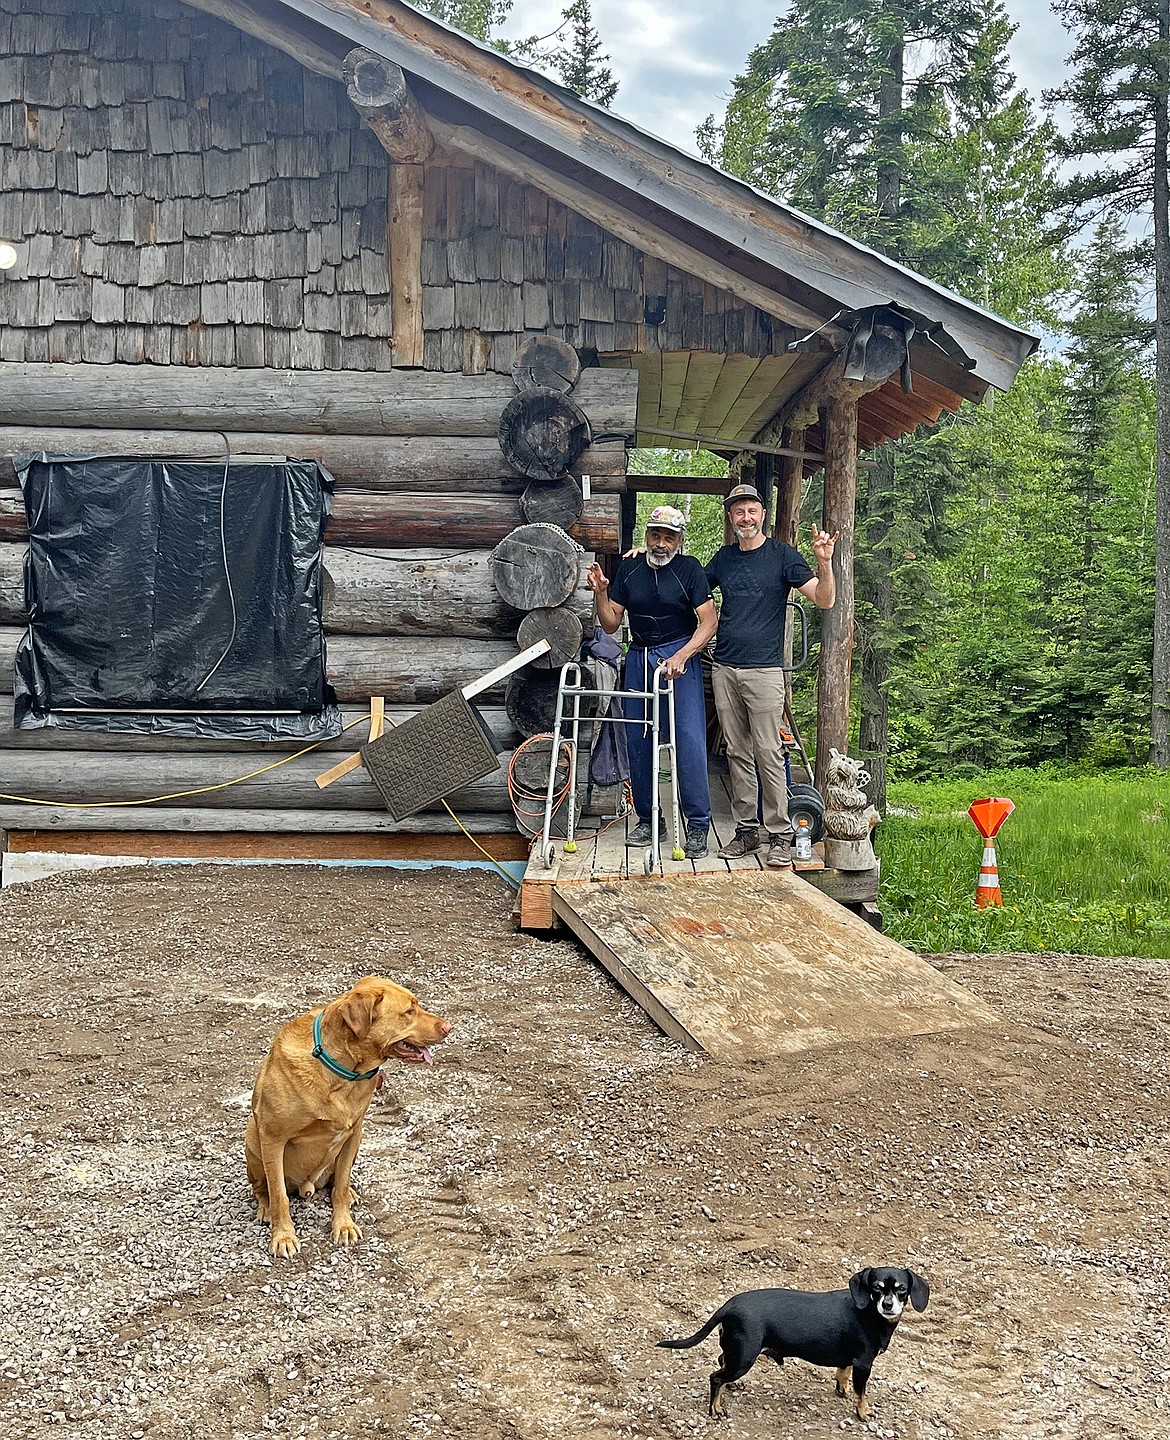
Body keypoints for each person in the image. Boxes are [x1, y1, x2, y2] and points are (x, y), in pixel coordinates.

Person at [705, 483, 838, 869]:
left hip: (765, 671)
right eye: (738, 512)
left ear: (762, 514)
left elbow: (825, 600)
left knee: (768, 750)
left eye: (751, 511)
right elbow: (690, 586)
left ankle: (780, 834)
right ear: (731, 518)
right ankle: (746, 831)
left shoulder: (782, 556)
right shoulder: (724, 559)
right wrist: (646, 554)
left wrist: (824, 563)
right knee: (737, 750)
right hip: (725, 667)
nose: (745, 518)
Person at [586, 505, 718, 859]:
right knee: (638, 740)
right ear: (647, 536)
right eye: (655, 535)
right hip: (640, 657)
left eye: (669, 537)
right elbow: (612, 623)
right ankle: (648, 818)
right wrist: (600, 592)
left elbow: (708, 622)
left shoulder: (689, 570)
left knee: (688, 739)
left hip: (680, 657)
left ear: (679, 540)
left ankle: (698, 824)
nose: (661, 544)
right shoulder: (629, 569)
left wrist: (682, 656)